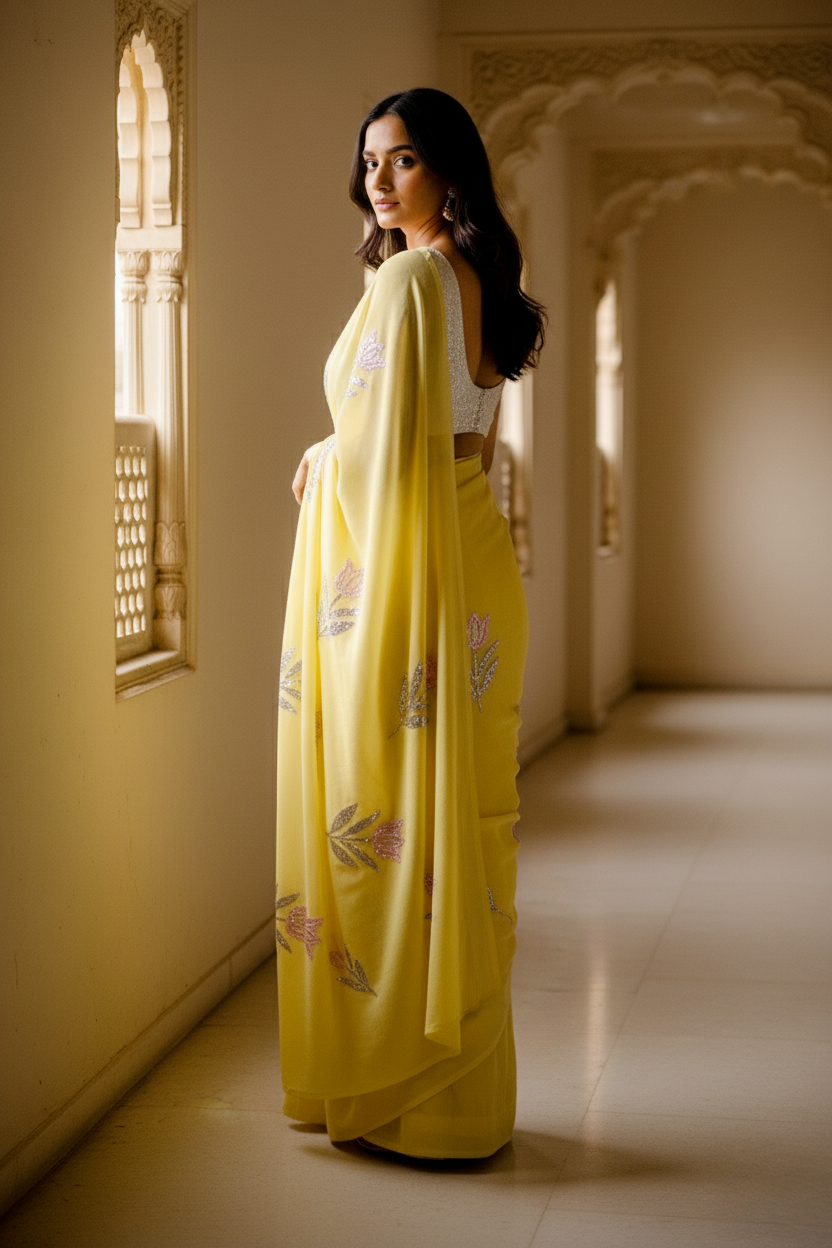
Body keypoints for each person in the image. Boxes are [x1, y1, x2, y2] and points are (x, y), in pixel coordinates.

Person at [275, 88, 545, 1160]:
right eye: (370, 164)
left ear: (449, 169)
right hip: (474, 567)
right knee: (462, 827)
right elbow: (462, 451)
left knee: (386, 817)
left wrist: (321, 454)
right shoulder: (477, 279)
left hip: (411, 582)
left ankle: (401, 1091)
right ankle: (456, 1102)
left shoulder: (408, 279)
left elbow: (384, 455)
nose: (379, 183)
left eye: (401, 162)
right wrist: (346, 451)